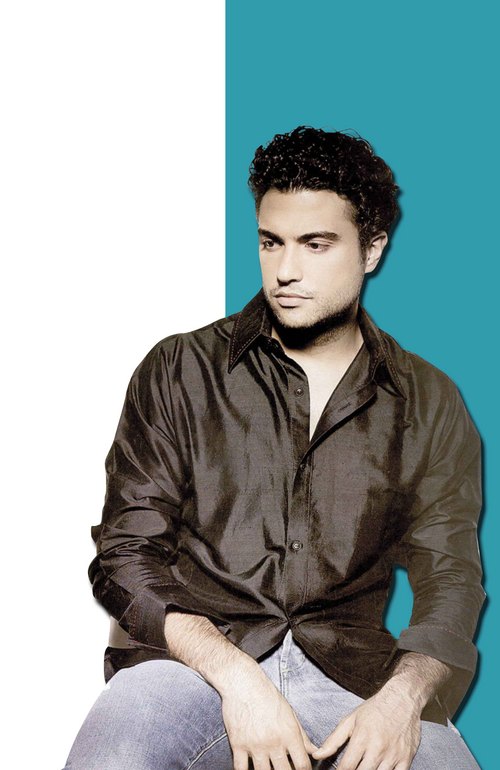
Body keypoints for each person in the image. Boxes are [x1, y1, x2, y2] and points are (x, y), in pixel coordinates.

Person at [64, 126, 484, 770]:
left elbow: (450, 578)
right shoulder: (180, 369)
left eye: (316, 245)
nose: (285, 271)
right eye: (271, 242)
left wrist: (402, 700)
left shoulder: (429, 400)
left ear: (372, 250)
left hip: (354, 681)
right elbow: (126, 554)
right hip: (195, 669)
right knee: (122, 737)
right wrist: (236, 677)